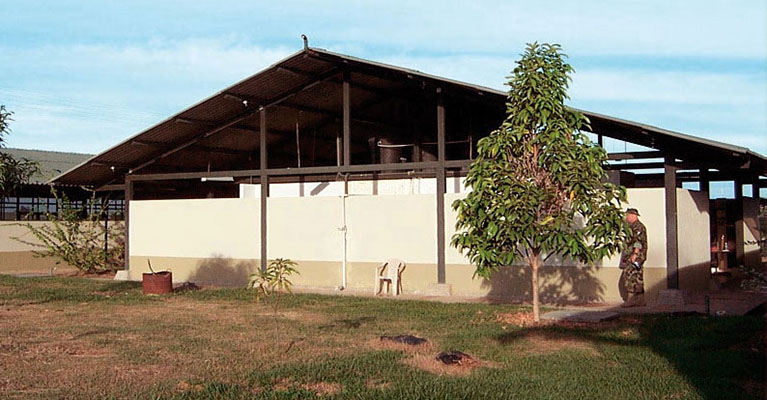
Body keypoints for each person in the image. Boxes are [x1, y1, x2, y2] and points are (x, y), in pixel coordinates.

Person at [620, 208, 647, 307]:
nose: (626, 217)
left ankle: (631, 299)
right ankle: (640, 299)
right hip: (636, 256)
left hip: (635, 256)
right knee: (637, 276)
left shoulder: (638, 227)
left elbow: (638, 241)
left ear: (632, 215)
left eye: (627, 215)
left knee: (629, 276)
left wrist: (635, 254)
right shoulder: (633, 226)